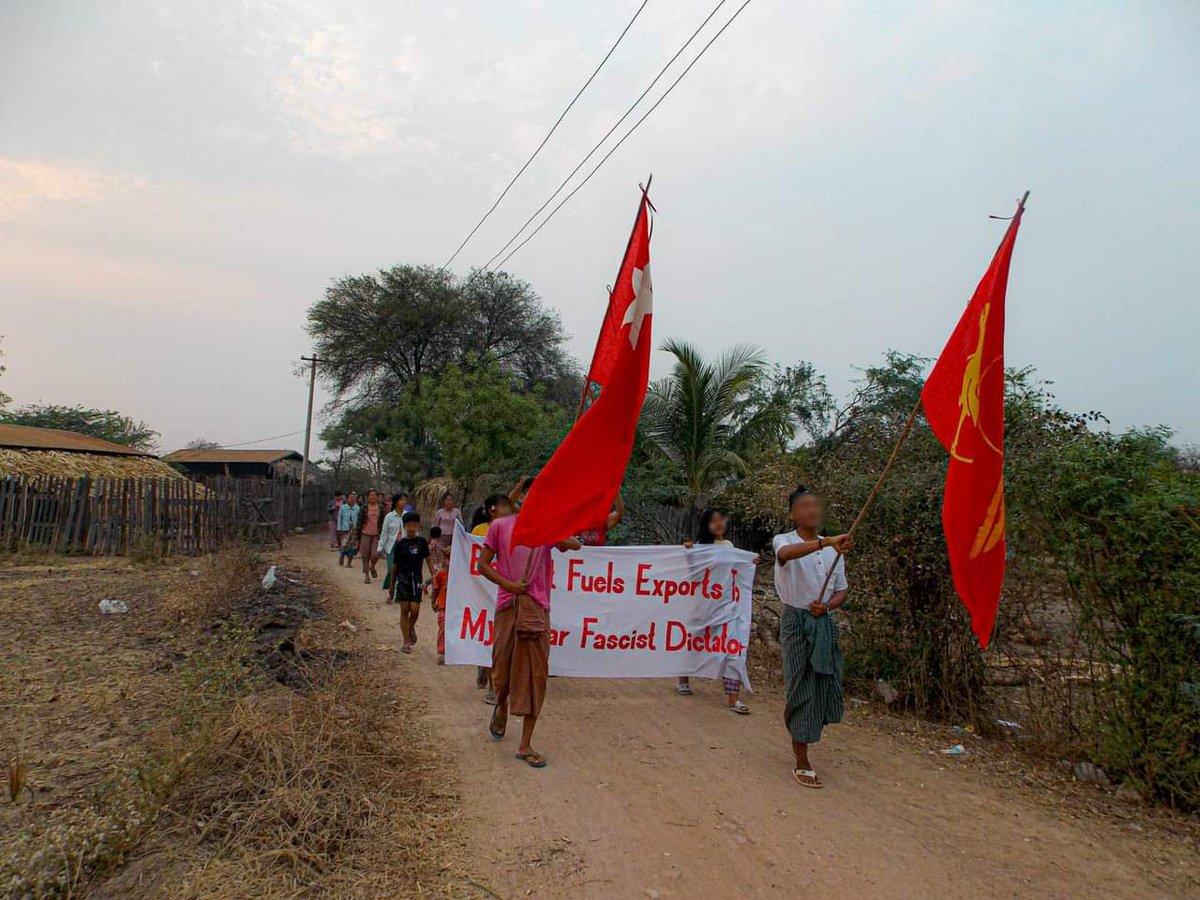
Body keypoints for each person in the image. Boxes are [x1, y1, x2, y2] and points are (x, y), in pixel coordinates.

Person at [476, 510, 581, 769]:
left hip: (536, 610)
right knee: (501, 671)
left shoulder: (547, 526)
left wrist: (550, 529)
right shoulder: (500, 526)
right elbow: (483, 564)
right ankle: (501, 703)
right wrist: (509, 585)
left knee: (535, 676)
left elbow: (574, 544)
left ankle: (525, 744)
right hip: (507, 607)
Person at [772, 485, 854, 789]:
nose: (812, 510)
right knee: (800, 685)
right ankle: (801, 758)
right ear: (793, 515)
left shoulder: (834, 550)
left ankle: (808, 733)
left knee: (823, 682)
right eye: (804, 506)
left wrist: (828, 606)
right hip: (795, 620)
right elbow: (785, 555)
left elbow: (842, 588)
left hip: (822, 621)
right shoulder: (784, 540)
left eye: (815, 506)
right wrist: (828, 542)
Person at [676, 507, 756, 714]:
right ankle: (683, 677)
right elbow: (693, 575)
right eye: (713, 521)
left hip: (728, 607)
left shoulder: (729, 546)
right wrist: (688, 553)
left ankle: (733, 698)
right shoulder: (699, 548)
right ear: (706, 526)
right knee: (695, 642)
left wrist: (750, 563)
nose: (719, 524)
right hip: (704, 606)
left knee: (732, 649)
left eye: (721, 519)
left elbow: (737, 570)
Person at [470, 494, 515, 701]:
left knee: (502, 641)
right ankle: (492, 684)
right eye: (504, 506)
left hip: (504, 591)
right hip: (484, 588)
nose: (509, 509)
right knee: (490, 637)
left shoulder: (515, 528)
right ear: (492, 510)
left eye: (510, 506)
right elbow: (479, 562)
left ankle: (495, 681)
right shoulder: (481, 531)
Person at [391, 512, 432, 653]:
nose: (411, 528)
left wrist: (434, 576)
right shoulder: (400, 544)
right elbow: (395, 566)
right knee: (404, 609)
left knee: (414, 609)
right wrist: (392, 585)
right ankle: (406, 641)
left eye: (414, 525)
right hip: (403, 579)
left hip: (417, 579)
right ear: (404, 526)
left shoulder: (421, 542)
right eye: (408, 525)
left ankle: (410, 627)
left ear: (418, 526)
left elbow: (428, 559)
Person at [377, 493, 407, 597]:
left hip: (404, 546)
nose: (404, 502)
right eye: (401, 500)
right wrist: (380, 547)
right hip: (391, 547)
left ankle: (396, 594)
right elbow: (384, 533)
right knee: (392, 569)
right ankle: (391, 589)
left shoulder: (407, 516)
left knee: (401, 570)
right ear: (396, 502)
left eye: (404, 500)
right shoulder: (389, 517)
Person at [430, 534, 451, 665]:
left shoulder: (460, 575)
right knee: (443, 628)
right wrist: (433, 602)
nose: (448, 562)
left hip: (455, 608)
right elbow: (435, 589)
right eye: (446, 559)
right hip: (443, 606)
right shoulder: (441, 574)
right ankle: (442, 652)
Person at [357, 488, 386, 584]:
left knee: (375, 554)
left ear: (377, 497)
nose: (373, 497)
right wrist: (357, 538)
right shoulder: (364, 508)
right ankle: (366, 575)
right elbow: (359, 523)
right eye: (371, 495)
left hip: (376, 535)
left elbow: (383, 522)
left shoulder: (381, 508)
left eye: (374, 495)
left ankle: (372, 567)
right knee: (365, 556)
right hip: (365, 534)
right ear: (368, 497)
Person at [336, 492, 360, 566]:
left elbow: (359, 519)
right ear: (347, 499)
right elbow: (340, 518)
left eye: (354, 497)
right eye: (350, 497)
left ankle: (349, 562)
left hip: (354, 530)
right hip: (344, 529)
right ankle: (341, 556)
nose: (352, 499)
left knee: (353, 546)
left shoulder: (358, 508)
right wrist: (339, 528)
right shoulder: (343, 507)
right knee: (344, 545)